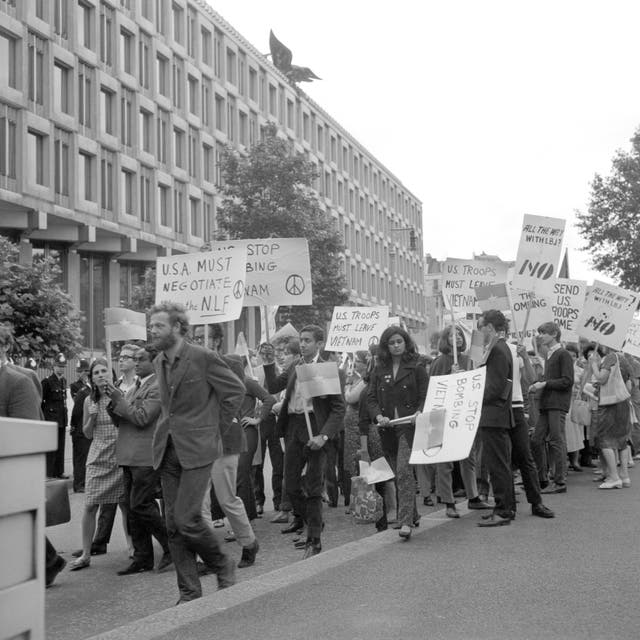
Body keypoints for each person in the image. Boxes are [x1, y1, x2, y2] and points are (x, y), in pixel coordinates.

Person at [149, 303, 245, 603]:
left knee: (187, 517)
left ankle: (221, 563)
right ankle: (189, 592)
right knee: (173, 526)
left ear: (177, 327)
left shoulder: (203, 357)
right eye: (151, 326)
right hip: (167, 449)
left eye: (159, 326)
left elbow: (235, 390)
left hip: (198, 449)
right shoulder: (159, 361)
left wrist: (214, 426)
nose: (153, 331)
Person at [263, 325, 345, 558]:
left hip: (316, 430)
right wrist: (269, 362)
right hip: (294, 428)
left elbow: (338, 409)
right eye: (301, 340)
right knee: (291, 485)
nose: (304, 344)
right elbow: (273, 386)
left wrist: (324, 435)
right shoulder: (295, 366)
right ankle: (312, 520)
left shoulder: (329, 370)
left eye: (308, 340)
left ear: (319, 344)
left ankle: (314, 540)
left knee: (313, 488)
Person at [0, 326, 66, 587]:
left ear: (4, 347)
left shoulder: (18, 381)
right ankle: (48, 562)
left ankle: (43, 565)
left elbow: (25, 437)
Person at [108, 344, 172, 575]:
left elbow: (142, 417)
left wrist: (119, 399)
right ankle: (143, 557)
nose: (135, 363)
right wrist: (113, 402)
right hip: (128, 454)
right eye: (134, 359)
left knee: (140, 504)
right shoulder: (136, 385)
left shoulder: (157, 386)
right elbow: (123, 418)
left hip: (145, 455)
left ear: (154, 362)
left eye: (140, 359)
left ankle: (172, 547)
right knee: (133, 509)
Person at [366, 325, 428, 540]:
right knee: (396, 472)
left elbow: (424, 395)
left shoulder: (417, 366)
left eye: (399, 342)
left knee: (403, 471)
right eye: (391, 343)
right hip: (387, 428)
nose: (395, 346)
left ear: (405, 342)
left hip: (409, 426)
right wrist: (377, 417)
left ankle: (405, 522)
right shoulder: (378, 369)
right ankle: (413, 513)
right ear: (386, 346)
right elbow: (371, 398)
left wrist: (419, 412)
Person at [69, 358, 128, 571]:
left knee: (124, 504)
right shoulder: (88, 401)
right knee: (90, 504)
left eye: (104, 371)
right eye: (96, 372)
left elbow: (128, 422)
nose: (101, 375)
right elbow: (86, 433)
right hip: (98, 456)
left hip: (119, 454)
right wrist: (92, 418)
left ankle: (131, 547)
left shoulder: (120, 396)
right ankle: (86, 554)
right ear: (91, 378)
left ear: (111, 374)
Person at [429, 326, 490, 517]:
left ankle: (473, 496)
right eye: (451, 335)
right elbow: (435, 390)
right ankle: (448, 501)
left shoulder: (468, 360)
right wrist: (451, 377)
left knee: (468, 457)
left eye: (459, 335)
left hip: (464, 415)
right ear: (445, 339)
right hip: (445, 416)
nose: (457, 338)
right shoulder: (439, 362)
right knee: (446, 460)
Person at [476, 310, 515, 527]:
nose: (480, 332)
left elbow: (495, 386)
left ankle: (503, 510)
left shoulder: (498, 350)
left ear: (489, 327)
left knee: (498, 465)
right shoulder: (499, 348)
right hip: (496, 414)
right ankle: (506, 507)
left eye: (481, 327)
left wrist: (475, 393)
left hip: (493, 415)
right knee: (501, 463)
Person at [507, 341, 555, 519]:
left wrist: (525, 358)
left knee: (526, 457)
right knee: (505, 460)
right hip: (496, 409)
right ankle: (508, 505)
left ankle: (537, 502)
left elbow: (531, 379)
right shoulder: (486, 350)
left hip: (517, 407)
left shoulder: (515, 352)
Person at [530, 322, 573, 495]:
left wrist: (545, 383)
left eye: (544, 333)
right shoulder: (550, 354)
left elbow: (567, 380)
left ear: (554, 333)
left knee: (557, 440)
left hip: (557, 403)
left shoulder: (563, 354)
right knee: (536, 440)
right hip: (547, 404)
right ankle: (542, 478)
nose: (540, 336)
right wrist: (539, 383)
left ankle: (560, 481)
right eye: (540, 333)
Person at [589, 346, 632, 489]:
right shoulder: (625, 359)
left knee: (605, 439)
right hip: (623, 402)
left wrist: (594, 365)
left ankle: (613, 477)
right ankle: (624, 476)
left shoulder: (610, 358)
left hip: (609, 404)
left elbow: (601, 378)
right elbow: (630, 386)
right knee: (622, 440)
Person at [41, 353, 69, 478]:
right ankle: (50, 473)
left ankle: (59, 471)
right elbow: (41, 402)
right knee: (51, 448)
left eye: (63, 366)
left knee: (61, 447)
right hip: (51, 420)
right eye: (59, 366)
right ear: (54, 366)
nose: (61, 368)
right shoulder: (47, 381)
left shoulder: (63, 381)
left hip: (61, 419)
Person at [70, 359, 92, 493]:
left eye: (84, 371)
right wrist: (72, 425)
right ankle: (78, 484)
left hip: (85, 428)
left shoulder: (88, 390)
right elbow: (76, 411)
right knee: (79, 459)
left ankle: (83, 482)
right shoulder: (82, 391)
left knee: (84, 458)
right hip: (79, 429)